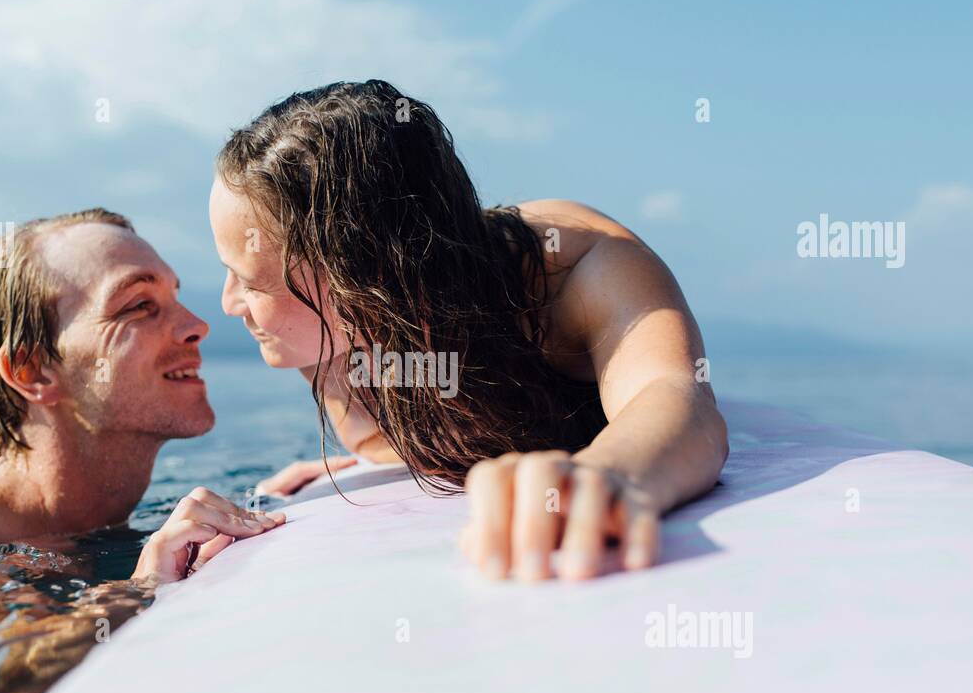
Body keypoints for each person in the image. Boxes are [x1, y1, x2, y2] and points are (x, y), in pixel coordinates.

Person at [210, 80, 728, 582]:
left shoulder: (570, 271)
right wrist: (369, 464)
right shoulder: (322, 342)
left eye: (251, 281)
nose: (228, 303)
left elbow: (673, 395)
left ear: (358, 274)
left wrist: (608, 475)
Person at [0, 207, 282, 581]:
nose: (197, 326)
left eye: (173, 298)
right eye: (140, 305)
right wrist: (142, 589)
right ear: (33, 373)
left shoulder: (83, 527)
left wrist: (261, 500)